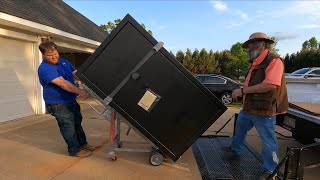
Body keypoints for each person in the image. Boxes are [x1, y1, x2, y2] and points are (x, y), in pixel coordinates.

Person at [225, 32, 289, 180]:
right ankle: (235, 148)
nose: (247, 49)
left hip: (264, 110)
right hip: (249, 107)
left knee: (267, 140)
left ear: (260, 45)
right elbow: (252, 84)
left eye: (249, 46)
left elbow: (270, 85)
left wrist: (242, 90)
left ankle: (270, 171)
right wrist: (242, 88)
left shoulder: (274, 61)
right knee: (240, 128)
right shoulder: (256, 63)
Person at [38, 41, 95, 158]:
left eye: (55, 53)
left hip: (70, 100)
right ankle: (75, 150)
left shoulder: (63, 62)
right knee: (68, 127)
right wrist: (80, 91)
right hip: (58, 103)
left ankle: (83, 144)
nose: (54, 57)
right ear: (43, 55)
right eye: (50, 55)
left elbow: (76, 74)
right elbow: (63, 84)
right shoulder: (45, 68)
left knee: (77, 123)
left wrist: (91, 80)